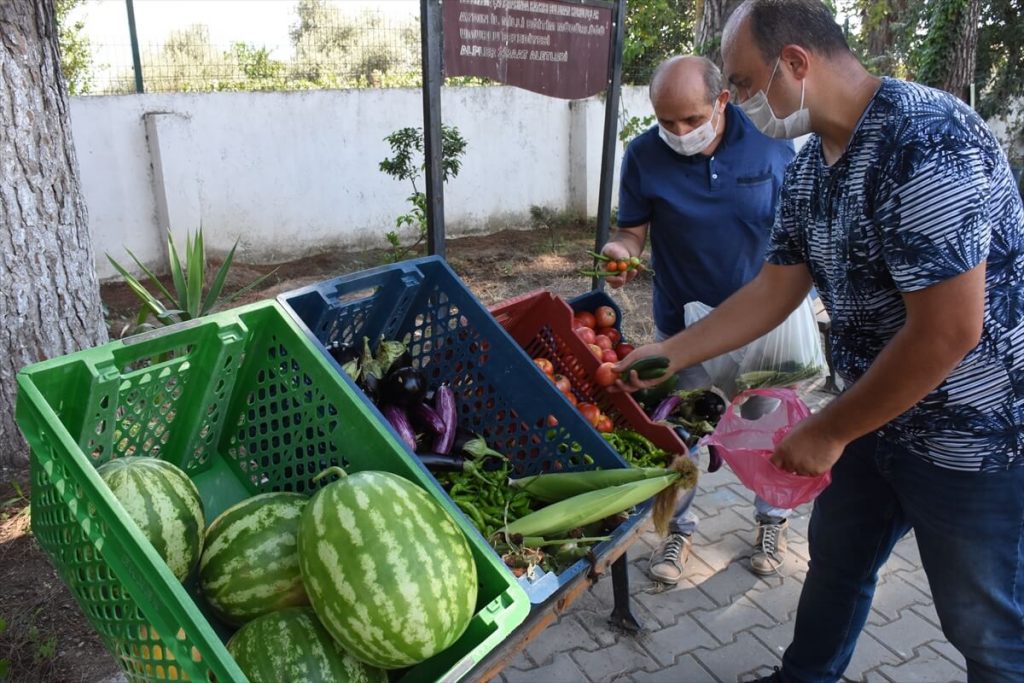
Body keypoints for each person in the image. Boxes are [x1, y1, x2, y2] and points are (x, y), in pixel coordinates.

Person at [616, 1, 1024, 681]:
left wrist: (830, 430)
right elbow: (775, 289)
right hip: (872, 414)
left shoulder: (927, 139)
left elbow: (950, 329)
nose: (739, 104)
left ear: (796, 64)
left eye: (744, 85)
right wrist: (665, 357)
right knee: (838, 563)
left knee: (982, 622)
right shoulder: (813, 167)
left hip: (966, 437)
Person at [601, 55, 795, 583]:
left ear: (722, 102)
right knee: (678, 436)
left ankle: (771, 519)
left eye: (690, 120)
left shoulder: (771, 142)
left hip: (762, 327)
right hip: (682, 330)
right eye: (667, 122)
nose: (679, 133)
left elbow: (798, 229)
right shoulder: (642, 156)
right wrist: (620, 252)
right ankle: (677, 532)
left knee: (763, 429)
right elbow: (632, 233)